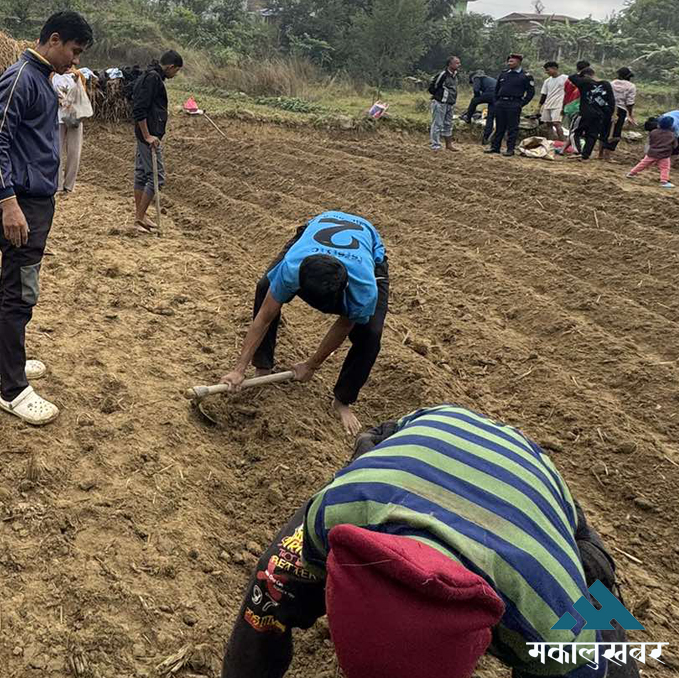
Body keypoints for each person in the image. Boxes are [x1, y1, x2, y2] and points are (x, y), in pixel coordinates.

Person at [220, 404, 641, 678]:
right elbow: (261, 613)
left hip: (535, 477)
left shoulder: (556, 623)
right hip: (431, 425)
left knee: (609, 635)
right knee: (274, 591)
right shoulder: (336, 512)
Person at [0, 10, 94, 426]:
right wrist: (9, 201)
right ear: (55, 39)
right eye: (73, 51)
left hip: (34, 202)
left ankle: (0, 362)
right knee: (21, 292)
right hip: (22, 204)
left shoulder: (42, 77)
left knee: (12, 284)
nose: (74, 62)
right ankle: (12, 389)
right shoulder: (21, 78)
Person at [219, 211, 388, 436]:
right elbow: (264, 316)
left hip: (367, 247)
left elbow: (343, 325)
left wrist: (311, 365)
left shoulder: (364, 289)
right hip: (313, 234)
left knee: (370, 333)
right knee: (264, 287)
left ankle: (343, 400)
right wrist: (238, 369)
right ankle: (263, 366)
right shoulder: (292, 269)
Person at [132, 50, 183, 232]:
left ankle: (141, 216)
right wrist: (147, 135)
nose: (175, 75)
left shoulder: (150, 75)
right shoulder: (152, 79)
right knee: (157, 176)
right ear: (170, 67)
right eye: (176, 71)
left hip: (147, 134)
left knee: (141, 173)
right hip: (148, 135)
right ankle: (139, 218)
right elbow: (140, 108)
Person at [486, 53, 535, 156]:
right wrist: (496, 101)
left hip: (514, 103)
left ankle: (510, 149)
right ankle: (495, 147)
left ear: (518, 62)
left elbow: (531, 92)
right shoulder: (504, 74)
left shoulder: (525, 76)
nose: (509, 63)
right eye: (508, 61)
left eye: (512, 61)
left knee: (512, 128)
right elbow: (497, 89)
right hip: (501, 103)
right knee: (499, 127)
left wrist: (521, 103)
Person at [53, 67, 93, 191]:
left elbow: (82, 94)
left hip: (74, 116)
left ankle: (69, 185)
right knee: (56, 152)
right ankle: (58, 184)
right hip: (57, 117)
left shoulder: (77, 76)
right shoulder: (52, 75)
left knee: (74, 152)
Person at [568, 66, 616, 162]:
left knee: (574, 132)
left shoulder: (584, 83)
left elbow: (571, 77)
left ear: (585, 75)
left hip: (585, 113)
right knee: (592, 135)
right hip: (599, 115)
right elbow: (611, 101)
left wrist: (580, 74)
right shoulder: (606, 84)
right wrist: (609, 114)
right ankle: (585, 156)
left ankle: (578, 152)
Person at [626, 115, 677, 188]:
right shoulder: (672, 135)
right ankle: (664, 181)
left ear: (658, 124)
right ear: (671, 126)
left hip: (652, 153)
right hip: (664, 155)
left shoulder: (653, 132)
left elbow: (650, 141)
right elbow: (675, 145)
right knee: (665, 168)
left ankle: (631, 173)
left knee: (643, 164)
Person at [601, 67, 637, 161]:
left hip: (607, 108)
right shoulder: (631, 86)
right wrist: (630, 114)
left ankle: (600, 154)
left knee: (605, 130)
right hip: (620, 110)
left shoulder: (611, 83)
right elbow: (630, 103)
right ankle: (608, 156)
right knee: (615, 133)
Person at [428, 55, 461, 151]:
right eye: (457, 63)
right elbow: (433, 87)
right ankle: (435, 145)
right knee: (437, 124)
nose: (459, 65)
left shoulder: (455, 76)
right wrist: (439, 97)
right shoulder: (443, 75)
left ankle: (449, 145)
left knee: (448, 124)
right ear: (450, 64)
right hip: (440, 103)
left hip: (450, 104)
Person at [461, 69, 497, 145]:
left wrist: (477, 98)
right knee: (490, 117)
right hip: (497, 96)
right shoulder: (487, 78)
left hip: (490, 93)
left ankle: (468, 118)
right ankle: (486, 138)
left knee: (473, 101)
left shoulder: (476, 77)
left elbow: (476, 90)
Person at [537, 61, 569, 140]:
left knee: (557, 123)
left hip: (559, 104)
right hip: (548, 104)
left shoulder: (565, 78)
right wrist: (539, 107)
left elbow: (570, 90)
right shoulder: (547, 81)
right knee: (548, 124)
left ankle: (563, 143)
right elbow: (544, 95)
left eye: (548, 70)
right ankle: (551, 142)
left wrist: (567, 104)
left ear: (554, 68)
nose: (546, 72)